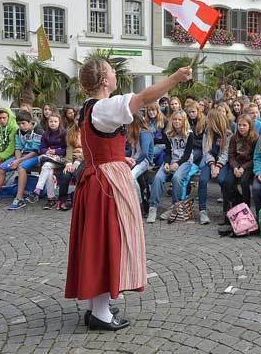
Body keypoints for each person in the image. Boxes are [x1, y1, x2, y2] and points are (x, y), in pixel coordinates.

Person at [65, 60, 192, 331]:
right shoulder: (104, 106)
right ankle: (100, 314)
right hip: (107, 183)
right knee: (107, 242)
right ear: (103, 80)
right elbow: (145, 98)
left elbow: (98, 147)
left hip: (97, 177)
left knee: (99, 241)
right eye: (111, 70)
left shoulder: (90, 107)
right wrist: (175, 78)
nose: (114, 73)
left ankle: (95, 308)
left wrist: (117, 157)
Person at [0, 110, 43, 210]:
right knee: (2, 167)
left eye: (23, 123)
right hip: (21, 155)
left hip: (35, 156)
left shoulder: (38, 131)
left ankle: (19, 198)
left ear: (30, 122)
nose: (21, 126)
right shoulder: (18, 131)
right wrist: (16, 160)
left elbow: (35, 151)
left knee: (21, 168)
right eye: (19, 124)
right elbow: (17, 147)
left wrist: (19, 162)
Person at [149, 110, 195, 223]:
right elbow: (168, 152)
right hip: (172, 160)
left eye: (179, 119)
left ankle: (175, 206)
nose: (177, 121)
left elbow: (187, 154)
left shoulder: (189, 133)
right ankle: (153, 207)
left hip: (185, 161)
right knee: (158, 178)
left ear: (184, 121)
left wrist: (177, 164)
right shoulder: (168, 133)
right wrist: (166, 163)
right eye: (175, 119)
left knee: (176, 178)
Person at [197, 109, 232, 226]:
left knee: (223, 180)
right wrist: (212, 165)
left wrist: (218, 166)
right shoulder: (207, 132)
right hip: (210, 161)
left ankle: (226, 208)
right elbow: (206, 151)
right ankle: (202, 210)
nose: (206, 120)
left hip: (222, 162)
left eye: (208, 118)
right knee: (202, 180)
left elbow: (225, 153)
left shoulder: (227, 134)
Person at [222, 114, 258, 227]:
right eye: (239, 125)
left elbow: (255, 158)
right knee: (227, 182)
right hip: (236, 165)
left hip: (248, 165)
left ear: (249, 126)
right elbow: (231, 155)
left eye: (244, 125)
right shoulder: (234, 138)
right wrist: (235, 167)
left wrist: (243, 168)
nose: (241, 127)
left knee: (244, 182)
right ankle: (234, 204)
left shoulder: (255, 138)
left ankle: (245, 209)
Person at [29, 112, 67, 209]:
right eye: (51, 121)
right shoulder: (46, 134)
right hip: (49, 159)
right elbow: (41, 149)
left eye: (55, 121)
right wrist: (48, 151)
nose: (53, 123)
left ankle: (37, 190)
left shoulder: (64, 133)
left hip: (62, 160)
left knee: (46, 166)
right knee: (48, 170)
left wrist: (55, 151)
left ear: (59, 122)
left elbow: (67, 149)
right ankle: (51, 198)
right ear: (48, 122)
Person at [125, 114, 154, 213]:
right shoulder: (134, 133)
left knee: (131, 177)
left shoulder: (144, 133)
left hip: (144, 161)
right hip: (135, 159)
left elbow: (144, 153)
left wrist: (134, 162)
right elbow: (131, 151)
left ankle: (139, 202)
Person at [56, 122, 83, 211]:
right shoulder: (71, 132)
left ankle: (76, 196)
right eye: (78, 119)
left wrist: (78, 162)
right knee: (65, 175)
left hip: (84, 160)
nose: (80, 122)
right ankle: (62, 200)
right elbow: (69, 149)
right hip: (73, 159)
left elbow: (89, 150)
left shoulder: (89, 132)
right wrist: (68, 163)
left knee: (77, 174)